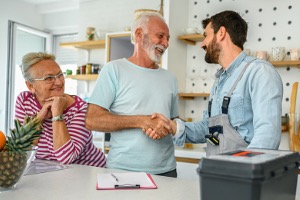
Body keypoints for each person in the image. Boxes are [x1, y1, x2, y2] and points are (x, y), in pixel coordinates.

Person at [147, 10, 283, 156]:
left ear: (221, 33)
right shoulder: (221, 80)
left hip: (244, 174)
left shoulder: (259, 72)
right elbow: (209, 130)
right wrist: (174, 127)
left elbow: (267, 136)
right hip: (218, 169)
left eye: (206, 36)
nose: (202, 44)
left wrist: (247, 170)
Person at [85, 12, 179, 177]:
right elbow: (92, 120)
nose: (166, 43)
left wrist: (165, 126)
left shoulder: (170, 78)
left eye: (168, 38)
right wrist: (142, 121)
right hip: (122, 171)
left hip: (167, 171)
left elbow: (174, 121)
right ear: (139, 35)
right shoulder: (113, 70)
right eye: (160, 36)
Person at [15, 52, 106, 167]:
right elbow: (22, 149)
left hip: (89, 172)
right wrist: (40, 117)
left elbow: (66, 157)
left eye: (60, 75)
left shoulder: (81, 109)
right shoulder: (25, 101)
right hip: (51, 172)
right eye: (49, 78)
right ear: (31, 86)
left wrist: (57, 114)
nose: (59, 82)